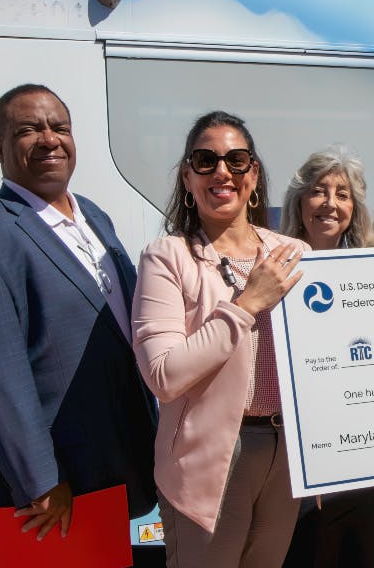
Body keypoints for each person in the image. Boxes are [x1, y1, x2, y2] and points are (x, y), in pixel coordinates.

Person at [0, 84, 157, 564]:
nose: (49, 139)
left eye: (59, 127)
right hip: (55, 488)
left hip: (115, 464)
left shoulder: (92, 215)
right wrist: (39, 479)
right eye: (28, 129)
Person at [131, 111, 307, 567]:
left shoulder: (295, 255)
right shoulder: (167, 256)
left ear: (254, 174)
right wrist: (247, 304)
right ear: (188, 177)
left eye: (237, 159)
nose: (222, 172)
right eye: (205, 161)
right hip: (211, 463)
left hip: (286, 457)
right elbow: (164, 375)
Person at [279, 145, 374, 568]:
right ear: (299, 201)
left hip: (361, 466)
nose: (330, 203)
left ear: (355, 207)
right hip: (300, 474)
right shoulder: (274, 266)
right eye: (318, 191)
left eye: (342, 193)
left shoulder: (372, 270)